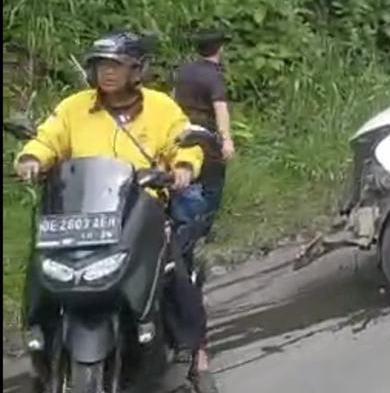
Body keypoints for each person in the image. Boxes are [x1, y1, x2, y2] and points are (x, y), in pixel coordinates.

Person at [14, 32, 220, 393]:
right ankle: (40, 344)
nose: (107, 73)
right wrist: (32, 158)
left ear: (136, 70)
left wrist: (184, 165)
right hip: (78, 214)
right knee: (39, 270)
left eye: (116, 65)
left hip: (140, 208)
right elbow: (49, 137)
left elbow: (181, 138)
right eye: (100, 65)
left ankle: (196, 355)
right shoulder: (74, 107)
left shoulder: (160, 107)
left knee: (173, 274)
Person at [173, 30, 235, 227]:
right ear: (220, 49)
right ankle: (204, 226)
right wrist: (226, 140)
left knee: (187, 178)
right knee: (212, 183)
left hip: (182, 130)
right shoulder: (214, 76)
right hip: (205, 135)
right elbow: (220, 108)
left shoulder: (184, 71)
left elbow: (173, 98)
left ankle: (184, 222)